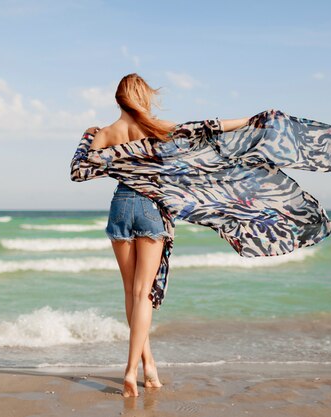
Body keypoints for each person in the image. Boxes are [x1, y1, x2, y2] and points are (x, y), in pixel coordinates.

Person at [81, 73, 251, 397]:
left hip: (119, 206)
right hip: (149, 207)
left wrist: (89, 138)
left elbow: (80, 171)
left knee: (131, 293)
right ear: (142, 97)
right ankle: (131, 370)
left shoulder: (106, 133)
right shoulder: (156, 128)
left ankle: (149, 367)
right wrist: (246, 120)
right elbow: (206, 129)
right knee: (144, 292)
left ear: (118, 99)